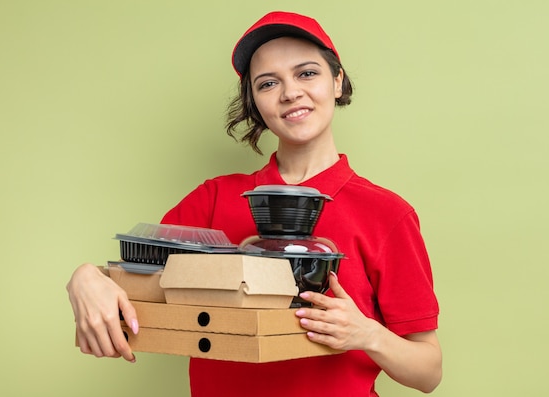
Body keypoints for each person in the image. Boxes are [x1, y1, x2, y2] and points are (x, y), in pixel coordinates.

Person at [67, 11, 442, 396]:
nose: (290, 92)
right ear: (255, 102)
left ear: (337, 80)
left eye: (307, 73)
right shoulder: (213, 200)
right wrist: (85, 277)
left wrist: (367, 334)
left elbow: (428, 372)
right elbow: (135, 282)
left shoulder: (388, 214)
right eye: (268, 83)